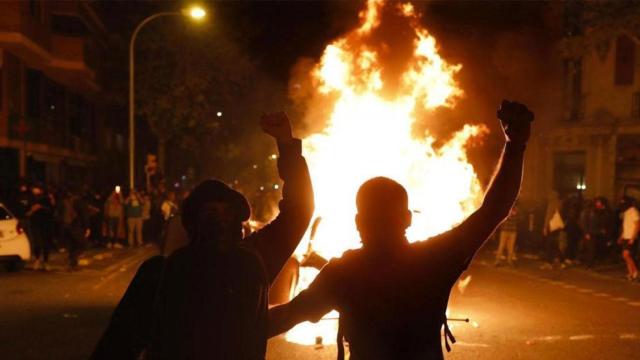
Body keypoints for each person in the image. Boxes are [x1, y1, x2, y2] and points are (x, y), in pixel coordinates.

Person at [268, 100, 533, 360]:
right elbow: (494, 210)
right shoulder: (434, 259)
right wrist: (515, 145)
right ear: (407, 219)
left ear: (358, 222)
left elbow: (285, 316)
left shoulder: (342, 273)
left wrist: (232, 327)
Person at [91, 111, 314, 359]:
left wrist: (287, 145)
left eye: (225, 214)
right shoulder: (160, 273)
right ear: (192, 223)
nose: (218, 222)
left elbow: (299, 210)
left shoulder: (252, 261)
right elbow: (118, 344)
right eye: (209, 214)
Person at [29, 184, 54, 271]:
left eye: (36, 188)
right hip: (35, 223)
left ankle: (45, 261)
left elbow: (52, 210)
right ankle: (37, 260)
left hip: (46, 223)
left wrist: (41, 207)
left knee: (46, 243)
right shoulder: (31, 198)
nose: (34, 190)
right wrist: (31, 210)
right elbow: (27, 211)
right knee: (37, 242)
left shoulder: (46, 198)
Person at [618, 196, 639, 281]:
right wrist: (621, 236)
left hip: (631, 237)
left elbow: (638, 225)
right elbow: (626, 226)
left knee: (626, 255)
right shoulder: (626, 212)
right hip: (626, 236)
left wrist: (633, 237)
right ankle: (630, 273)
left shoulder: (634, 211)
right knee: (625, 256)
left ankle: (635, 272)